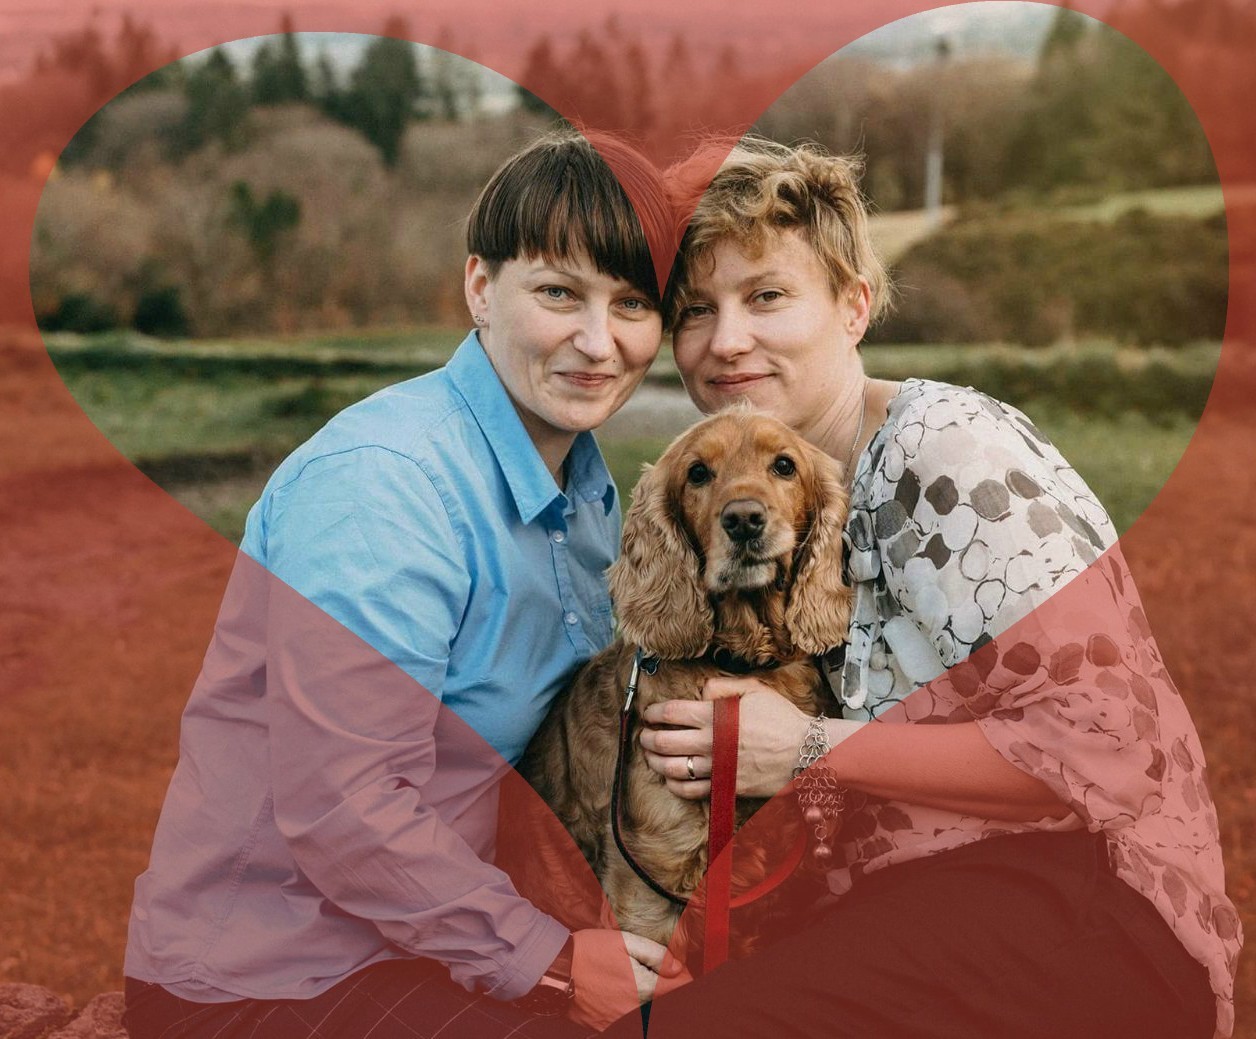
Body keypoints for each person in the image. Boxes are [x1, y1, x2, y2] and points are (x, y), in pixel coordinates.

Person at [623, 138, 1239, 1038]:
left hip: (1089, 908)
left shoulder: (942, 454)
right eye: (694, 310)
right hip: (912, 905)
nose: (726, 341)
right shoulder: (783, 505)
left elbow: (1108, 747)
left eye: (766, 296)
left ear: (854, 306)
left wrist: (808, 749)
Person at [122, 130, 683, 1038]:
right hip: (275, 974)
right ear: (479, 287)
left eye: (631, 303)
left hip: (435, 942)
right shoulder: (384, 485)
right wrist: (551, 962)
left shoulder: (585, 492)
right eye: (558, 293)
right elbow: (343, 803)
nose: (598, 340)